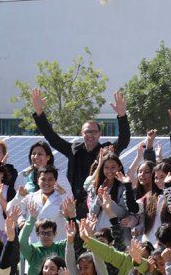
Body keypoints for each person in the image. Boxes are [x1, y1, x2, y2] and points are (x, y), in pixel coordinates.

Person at [31, 88, 130, 218]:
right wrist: (39, 113)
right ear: (81, 134)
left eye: (94, 132)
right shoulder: (74, 150)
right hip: (74, 205)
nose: (90, 135)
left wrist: (122, 116)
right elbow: (52, 138)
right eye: (87, 132)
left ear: (100, 133)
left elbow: (123, 140)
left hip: (98, 206)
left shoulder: (106, 151)